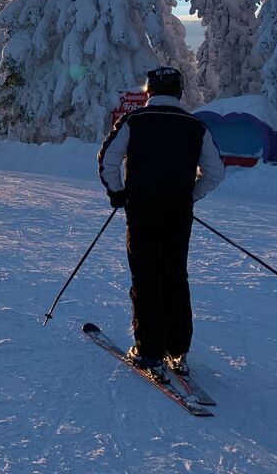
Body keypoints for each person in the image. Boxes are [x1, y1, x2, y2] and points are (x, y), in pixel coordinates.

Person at [97, 67, 225, 383]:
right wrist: (190, 195)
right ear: (179, 92)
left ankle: (149, 350)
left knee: (146, 276)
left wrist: (117, 193)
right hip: (178, 212)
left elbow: (108, 160)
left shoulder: (134, 121)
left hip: (141, 210)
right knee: (174, 276)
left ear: (149, 91)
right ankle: (177, 349)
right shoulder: (196, 126)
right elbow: (216, 172)